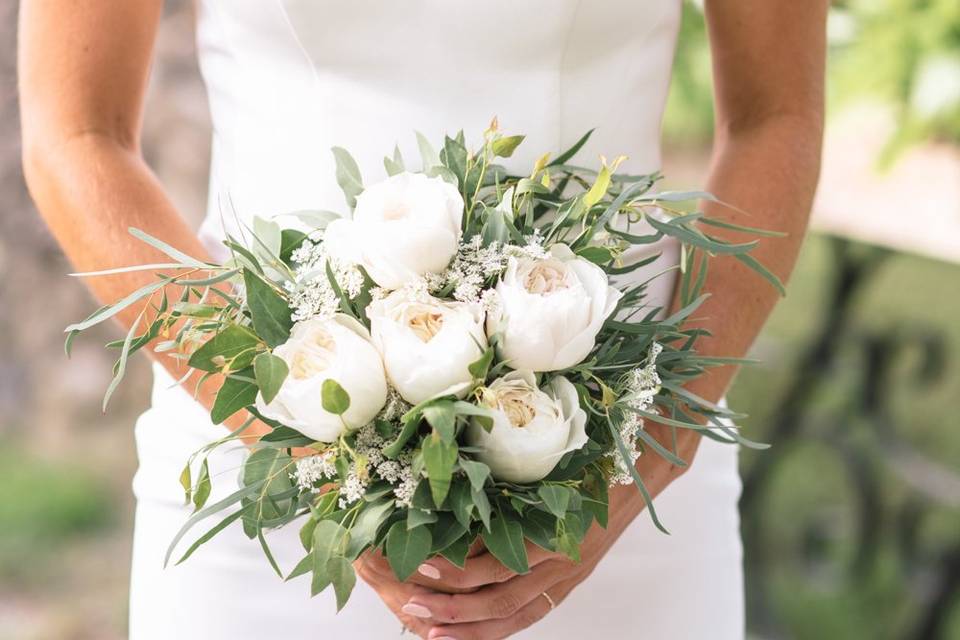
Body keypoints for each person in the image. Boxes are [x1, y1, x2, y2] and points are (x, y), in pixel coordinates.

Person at [19, 1, 826, 638]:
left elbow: (776, 113)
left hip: (619, 465)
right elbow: (75, 133)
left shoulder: (640, 465)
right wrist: (313, 453)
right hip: (269, 480)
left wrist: (659, 445)